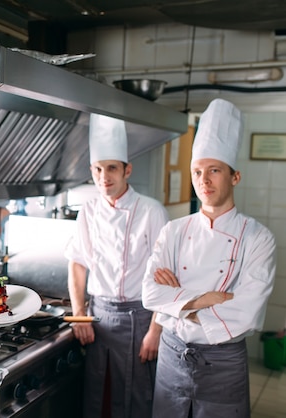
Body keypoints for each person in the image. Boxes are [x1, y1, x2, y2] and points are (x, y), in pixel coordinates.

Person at [142, 98, 276, 418]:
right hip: (172, 356)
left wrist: (177, 304)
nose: (204, 181)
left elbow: (246, 312)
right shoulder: (174, 231)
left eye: (214, 170)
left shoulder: (258, 238)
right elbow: (149, 293)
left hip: (224, 363)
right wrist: (207, 299)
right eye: (198, 171)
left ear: (235, 177)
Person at [65, 113, 168, 418]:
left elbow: (167, 278)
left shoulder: (151, 211)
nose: (104, 176)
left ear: (127, 170)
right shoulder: (89, 209)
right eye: (98, 169)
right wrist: (80, 315)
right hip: (99, 317)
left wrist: (156, 331)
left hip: (140, 319)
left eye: (111, 168)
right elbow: (78, 263)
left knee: (136, 398)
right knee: (99, 395)